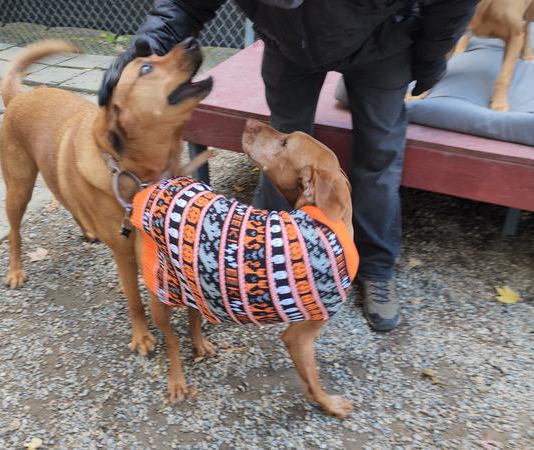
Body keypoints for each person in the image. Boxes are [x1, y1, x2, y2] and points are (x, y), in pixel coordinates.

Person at [99, 0, 478, 331]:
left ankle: (375, 267)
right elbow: (185, 3)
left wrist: (428, 61)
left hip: (383, 42)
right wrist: (144, 50)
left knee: (379, 154)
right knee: (279, 146)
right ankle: (261, 261)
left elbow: (451, 4)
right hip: (289, 43)